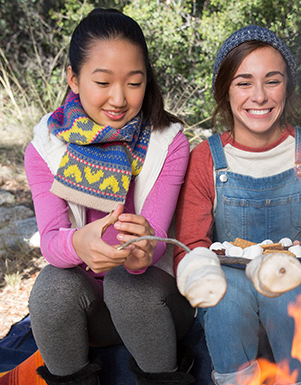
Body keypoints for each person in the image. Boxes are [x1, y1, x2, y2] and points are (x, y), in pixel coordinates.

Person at [25, 8, 196, 385]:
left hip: (157, 303)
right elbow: (53, 242)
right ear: (74, 78)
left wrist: (141, 251)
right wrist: (78, 244)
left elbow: (155, 239)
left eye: (134, 83)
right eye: (102, 82)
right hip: (91, 314)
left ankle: (163, 375)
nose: (119, 99)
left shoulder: (168, 144)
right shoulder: (45, 148)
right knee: (51, 287)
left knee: (126, 283)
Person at [173, 25, 301, 385]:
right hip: (229, 279)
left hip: (299, 276)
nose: (259, 96)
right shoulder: (208, 159)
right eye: (244, 82)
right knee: (226, 299)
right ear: (225, 90)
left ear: (288, 87)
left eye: (272, 81)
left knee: (285, 292)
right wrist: (201, 273)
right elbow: (191, 243)